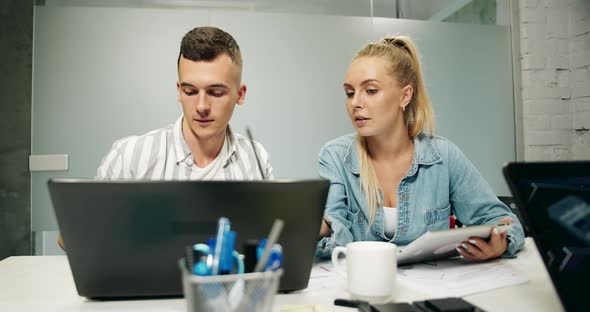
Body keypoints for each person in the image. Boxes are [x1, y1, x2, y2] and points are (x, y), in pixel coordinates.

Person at [58, 26, 272, 250]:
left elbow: (271, 239)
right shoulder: (130, 156)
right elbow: (68, 239)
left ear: (240, 94)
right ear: (179, 91)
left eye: (215, 93)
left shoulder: (255, 158)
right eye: (190, 92)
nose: (201, 107)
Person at [316, 36, 524, 261]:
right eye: (349, 93)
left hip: (434, 286)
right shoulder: (335, 156)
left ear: (405, 95)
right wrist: (313, 227)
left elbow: (503, 221)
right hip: (365, 284)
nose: (356, 103)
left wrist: (501, 243)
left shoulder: (443, 156)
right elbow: (334, 233)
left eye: (371, 90)